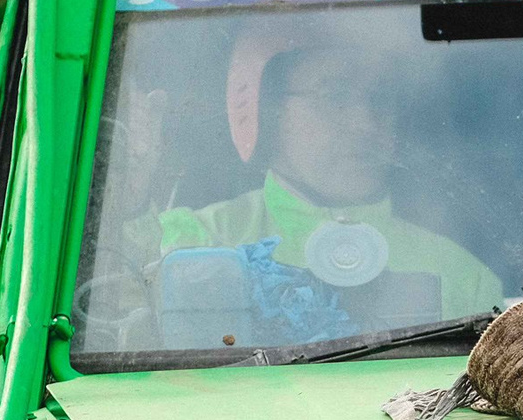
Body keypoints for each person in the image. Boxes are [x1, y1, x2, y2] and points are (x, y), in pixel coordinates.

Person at [152, 32, 504, 330]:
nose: (364, 123)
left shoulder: (464, 277)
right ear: (269, 111)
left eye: (380, 98)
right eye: (334, 95)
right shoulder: (185, 242)